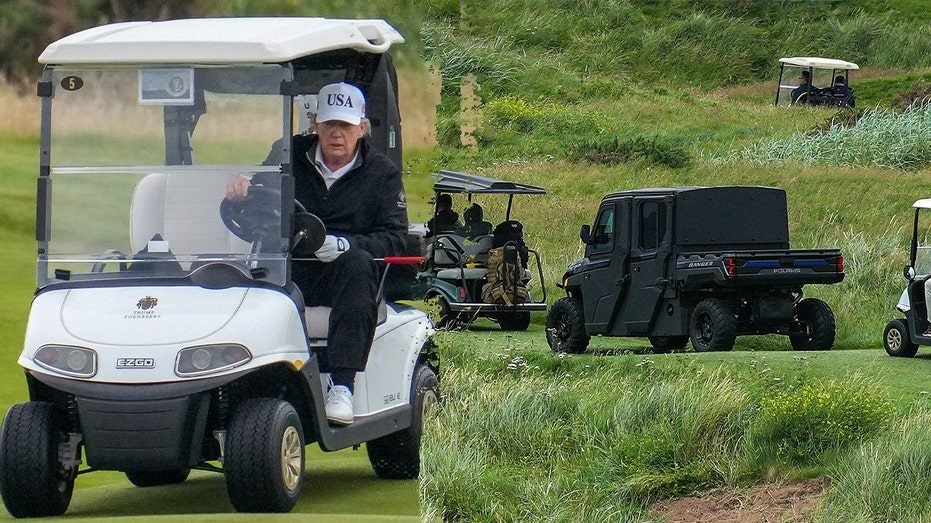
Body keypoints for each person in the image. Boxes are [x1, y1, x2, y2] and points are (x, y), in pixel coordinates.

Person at [226, 82, 408, 426]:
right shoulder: (288, 153)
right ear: (316, 125)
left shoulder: (382, 173)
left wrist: (346, 244)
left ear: (361, 128)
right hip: (289, 265)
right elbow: (260, 202)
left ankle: (342, 385)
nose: (336, 134)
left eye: (345, 126)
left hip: (344, 275)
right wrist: (240, 198)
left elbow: (395, 237)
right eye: (329, 124)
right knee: (241, 274)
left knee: (358, 264)